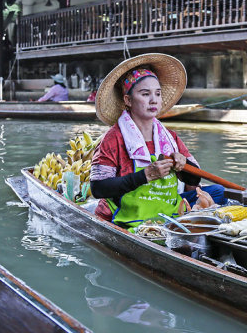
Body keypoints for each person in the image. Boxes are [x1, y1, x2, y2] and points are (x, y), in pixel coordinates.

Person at [90, 53, 227, 229]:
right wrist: (145, 175)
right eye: (145, 94)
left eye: (157, 93)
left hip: (167, 206)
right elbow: (98, 188)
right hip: (128, 212)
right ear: (128, 100)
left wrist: (183, 166)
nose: (153, 100)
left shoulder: (169, 137)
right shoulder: (114, 137)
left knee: (218, 192)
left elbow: (195, 178)